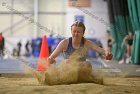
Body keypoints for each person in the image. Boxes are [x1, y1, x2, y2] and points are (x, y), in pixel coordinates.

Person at [46, 21, 112, 69]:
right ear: (71, 31)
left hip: (81, 68)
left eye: (78, 32)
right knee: (67, 61)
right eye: (74, 31)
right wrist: (50, 59)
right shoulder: (65, 42)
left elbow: (101, 50)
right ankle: (68, 79)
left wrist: (108, 54)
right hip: (68, 68)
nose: (76, 34)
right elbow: (52, 56)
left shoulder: (87, 43)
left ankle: (83, 80)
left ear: (83, 33)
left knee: (87, 64)